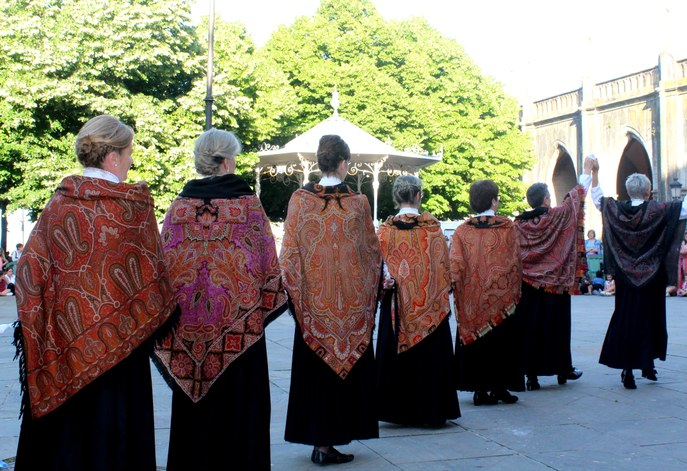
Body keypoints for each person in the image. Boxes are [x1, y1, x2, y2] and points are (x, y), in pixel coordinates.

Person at [13, 115, 176, 470]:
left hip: (66, 352)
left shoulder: (60, 204)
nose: (132, 160)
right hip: (124, 351)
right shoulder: (134, 206)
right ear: (112, 156)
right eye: (129, 151)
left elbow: (28, 270)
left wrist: (46, 326)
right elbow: (155, 274)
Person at [153, 129, 287, 470]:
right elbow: (270, 272)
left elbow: (164, 269)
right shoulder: (248, 207)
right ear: (227, 160)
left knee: (193, 421)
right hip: (240, 337)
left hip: (189, 333)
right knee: (240, 418)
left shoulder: (178, 209)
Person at [280, 135, 381, 465]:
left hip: (314, 308)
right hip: (350, 311)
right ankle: (331, 441)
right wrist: (366, 298)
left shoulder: (299, 201)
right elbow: (370, 255)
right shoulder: (359, 203)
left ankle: (319, 444)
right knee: (342, 375)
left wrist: (301, 300)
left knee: (316, 374)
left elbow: (290, 255)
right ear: (343, 163)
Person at [586, 155, 687, 389]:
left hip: (624, 276)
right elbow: (686, 207)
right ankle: (648, 364)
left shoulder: (616, 209)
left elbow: (598, 200)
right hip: (651, 276)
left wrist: (595, 174)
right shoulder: (658, 210)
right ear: (649, 191)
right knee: (650, 318)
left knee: (627, 317)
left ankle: (628, 369)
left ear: (628, 191)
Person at [375, 175, 460, 426]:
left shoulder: (384, 232)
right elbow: (443, 270)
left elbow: (377, 269)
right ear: (419, 196)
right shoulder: (433, 230)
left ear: (396, 198)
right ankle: (430, 409)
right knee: (429, 358)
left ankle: (396, 410)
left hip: (395, 309)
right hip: (429, 308)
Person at [450, 180, 523, 405]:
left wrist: (456, 290)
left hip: (472, 299)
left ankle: (479, 390)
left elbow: (456, 265)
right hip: (501, 299)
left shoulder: (462, 231)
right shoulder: (507, 227)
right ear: (493, 200)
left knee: (477, 343)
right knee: (501, 343)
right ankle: (500, 387)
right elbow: (515, 261)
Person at [515, 178, 586, 391]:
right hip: (555, 285)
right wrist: (587, 173)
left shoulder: (519, 224)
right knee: (558, 328)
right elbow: (573, 202)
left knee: (531, 329)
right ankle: (562, 369)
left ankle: (532, 375)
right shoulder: (555, 217)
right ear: (546, 199)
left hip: (528, 286)